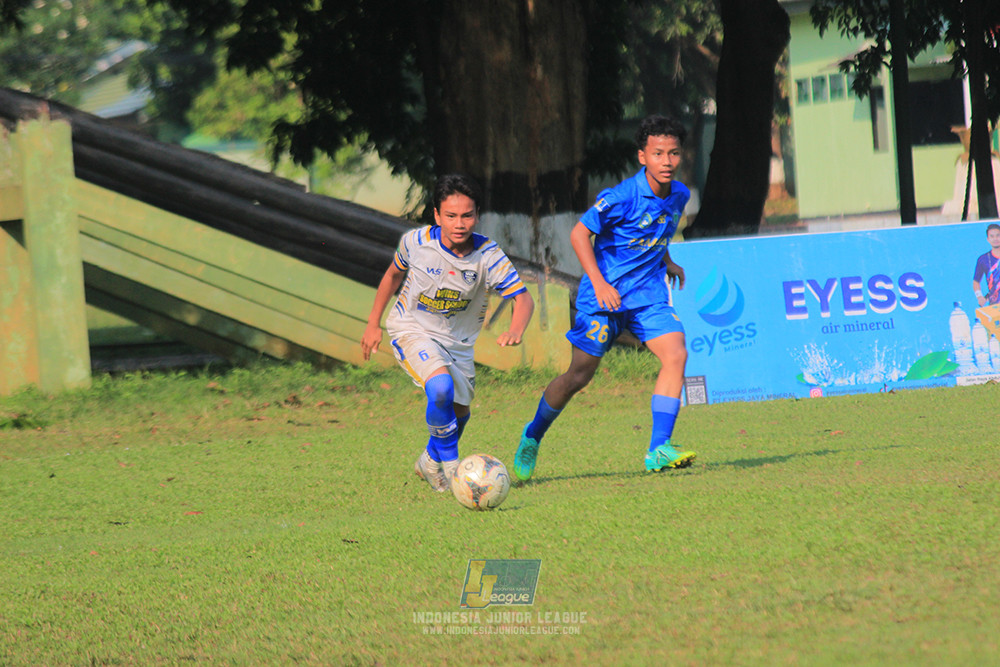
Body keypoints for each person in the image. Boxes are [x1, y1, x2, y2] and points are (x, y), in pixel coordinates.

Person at [513, 114, 695, 481]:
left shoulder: (680, 194)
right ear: (642, 156)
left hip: (648, 296)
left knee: (676, 354)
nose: (667, 161)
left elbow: (658, 233)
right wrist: (598, 284)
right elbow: (580, 235)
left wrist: (669, 261)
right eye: (658, 153)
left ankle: (659, 448)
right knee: (579, 375)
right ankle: (533, 434)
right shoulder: (620, 197)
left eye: (673, 154)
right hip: (603, 298)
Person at [361, 174, 535, 492]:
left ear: (477, 215)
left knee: (460, 414)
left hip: (458, 344)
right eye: (451, 216)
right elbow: (391, 276)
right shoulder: (415, 243)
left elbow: (522, 298)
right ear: (437, 215)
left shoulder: (488, 256)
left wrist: (516, 328)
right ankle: (456, 471)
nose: (459, 223)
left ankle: (428, 462)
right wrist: (373, 323)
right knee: (440, 389)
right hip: (410, 329)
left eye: (467, 215)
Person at [972, 223, 1000, 307]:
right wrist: (980, 297)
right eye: (992, 236)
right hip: (995, 306)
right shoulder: (983, 260)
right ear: (988, 239)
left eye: (998, 235)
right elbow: (976, 281)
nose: (995, 239)